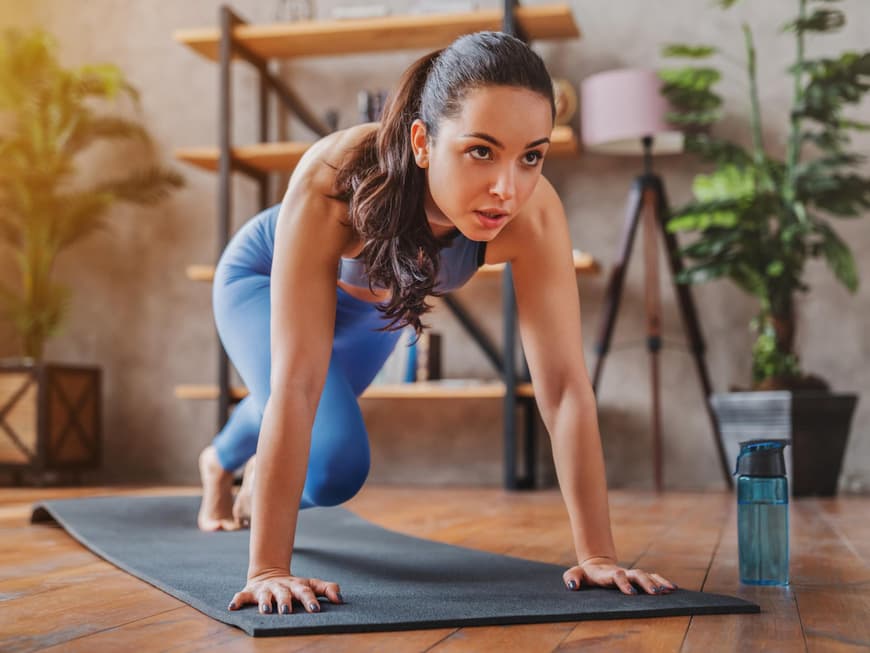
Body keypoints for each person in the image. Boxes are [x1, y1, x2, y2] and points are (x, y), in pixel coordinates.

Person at [196, 31, 678, 616]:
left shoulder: (533, 213)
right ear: (423, 142)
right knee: (333, 466)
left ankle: (224, 458)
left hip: (377, 303)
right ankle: (225, 462)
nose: (508, 188)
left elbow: (565, 388)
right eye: (481, 150)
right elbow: (297, 384)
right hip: (262, 281)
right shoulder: (336, 176)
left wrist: (598, 555)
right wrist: (269, 569)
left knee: (323, 444)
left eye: (531, 155)